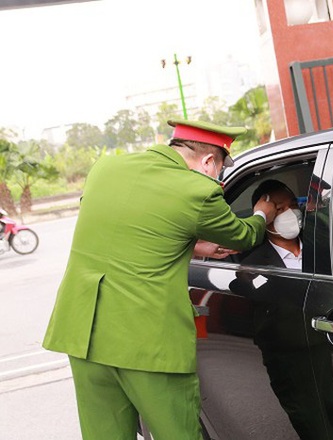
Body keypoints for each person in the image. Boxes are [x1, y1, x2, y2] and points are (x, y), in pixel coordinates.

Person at [42, 118, 280, 440]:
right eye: (220, 170)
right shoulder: (197, 191)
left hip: (84, 335)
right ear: (209, 162)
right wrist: (264, 211)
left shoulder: (107, 168)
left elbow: (126, 223)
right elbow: (244, 236)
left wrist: (193, 246)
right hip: (146, 344)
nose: (216, 177)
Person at [229, 179, 333, 440]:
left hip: (327, 347)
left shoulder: (321, 248)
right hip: (289, 358)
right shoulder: (253, 264)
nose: (289, 213)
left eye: (292, 205)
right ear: (265, 216)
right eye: (278, 209)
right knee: (315, 425)